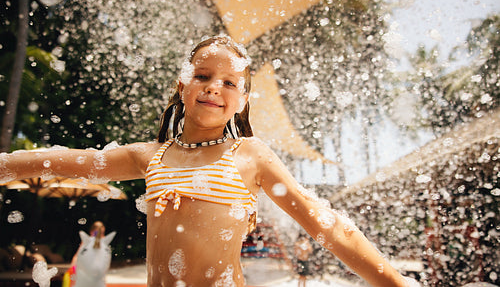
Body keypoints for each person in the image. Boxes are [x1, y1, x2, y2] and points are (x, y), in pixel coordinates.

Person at [0, 35, 412, 287]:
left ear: (242, 101)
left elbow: (328, 225)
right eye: (202, 76)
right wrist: (8, 165)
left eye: (229, 82)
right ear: (183, 84)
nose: (214, 87)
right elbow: (66, 161)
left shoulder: (249, 154)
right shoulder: (151, 155)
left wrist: (395, 283)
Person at [66, 221, 116, 287]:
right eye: (98, 233)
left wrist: (72, 267)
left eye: (101, 233)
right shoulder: (89, 242)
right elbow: (77, 256)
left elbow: (77, 256)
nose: (99, 236)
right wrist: (72, 267)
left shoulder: (91, 242)